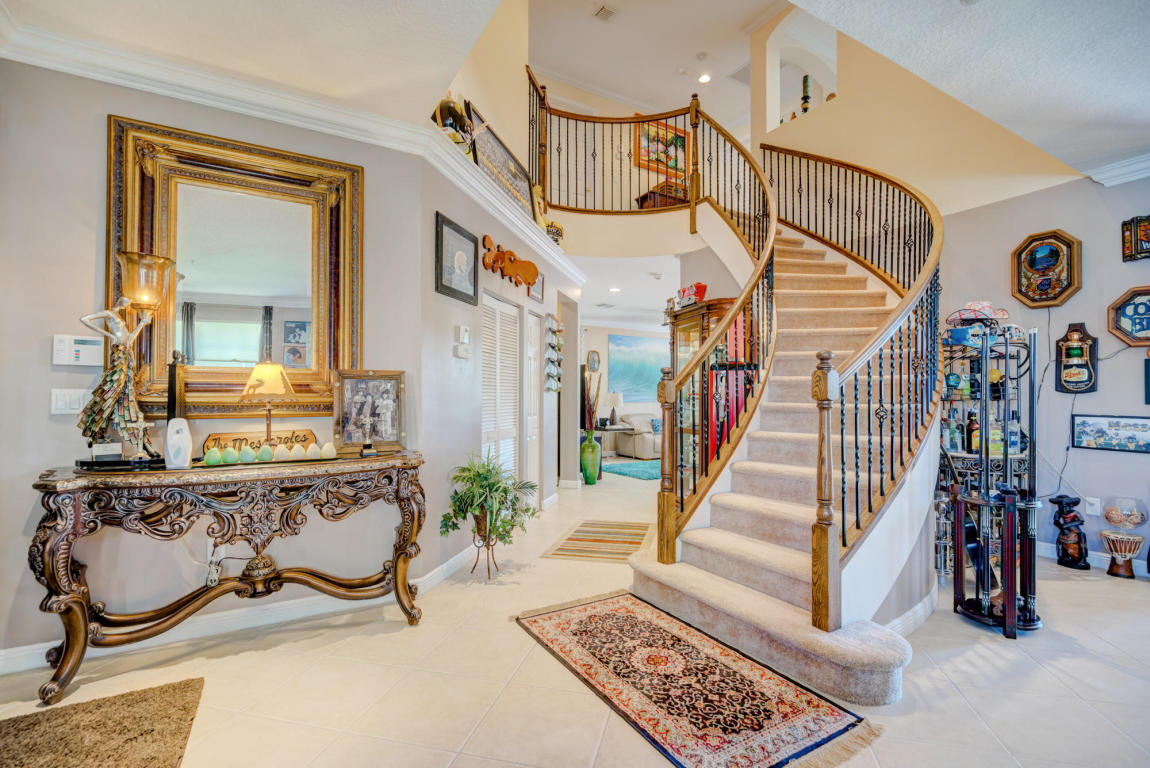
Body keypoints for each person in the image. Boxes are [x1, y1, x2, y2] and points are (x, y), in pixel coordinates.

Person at [76, 297, 156, 458]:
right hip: (119, 353)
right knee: (114, 386)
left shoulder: (120, 317)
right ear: (121, 301)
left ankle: (142, 444)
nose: (128, 305)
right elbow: (85, 319)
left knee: (127, 395)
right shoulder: (110, 313)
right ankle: (94, 427)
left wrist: (142, 323)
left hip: (126, 353)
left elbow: (130, 339)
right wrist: (108, 335)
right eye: (127, 302)